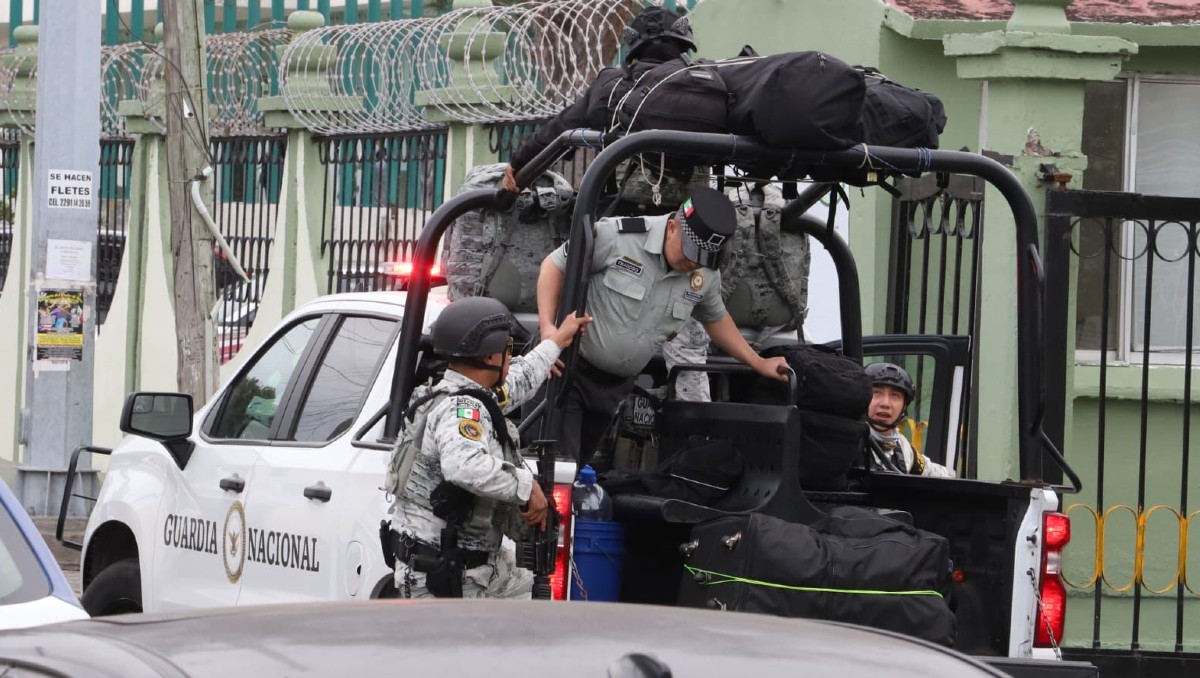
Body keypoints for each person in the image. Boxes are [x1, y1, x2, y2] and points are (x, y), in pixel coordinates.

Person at [503, 6, 715, 403]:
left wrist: (520, 166)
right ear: (684, 46)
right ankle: (692, 427)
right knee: (688, 344)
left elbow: (561, 129)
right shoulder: (709, 88)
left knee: (579, 318)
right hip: (692, 244)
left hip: (623, 234)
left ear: (633, 47)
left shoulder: (617, 87)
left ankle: (550, 407)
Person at [536, 186, 789, 468]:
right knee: (557, 474)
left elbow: (716, 318)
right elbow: (554, 265)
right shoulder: (618, 237)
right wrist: (548, 332)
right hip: (569, 373)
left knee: (575, 472)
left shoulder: (703, 273)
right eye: (690, 251)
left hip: (612, 390)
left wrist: (758, 362)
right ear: (671, 227)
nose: (694, 262)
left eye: (703, 257)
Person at [386, 296, 592, 599]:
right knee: (542, 627)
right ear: (488, 358)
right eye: (508, 350)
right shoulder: (462, 408)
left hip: (459, 567)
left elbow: (520, 378)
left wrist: (558, 340)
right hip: (449, 577)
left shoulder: (453, 392)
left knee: (541, 613)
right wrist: (527, 487)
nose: (511, 357)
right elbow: (464, 466)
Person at [864, 362, 955, 478]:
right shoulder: (846, 442)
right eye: (876, 393)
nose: (885, 403)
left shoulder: (902, 447)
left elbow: (935, 472)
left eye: (895, 395)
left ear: (904, 407)